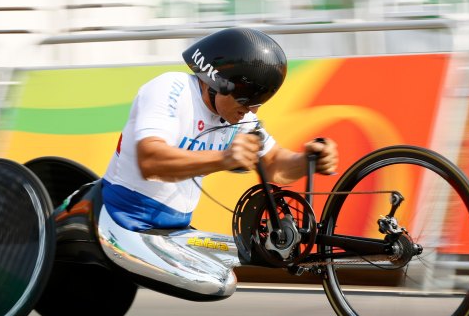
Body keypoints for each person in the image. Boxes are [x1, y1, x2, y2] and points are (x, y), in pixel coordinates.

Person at [102, 27, 338, 231]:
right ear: (217, 81)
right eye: (245, 100)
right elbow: (151, 163)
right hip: (124, 217)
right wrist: (224, 158)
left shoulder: (239, 118)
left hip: (174, 227)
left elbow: (274, 165)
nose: (251, 111)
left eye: (257, 104)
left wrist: (308, 161)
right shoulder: (171, 88)